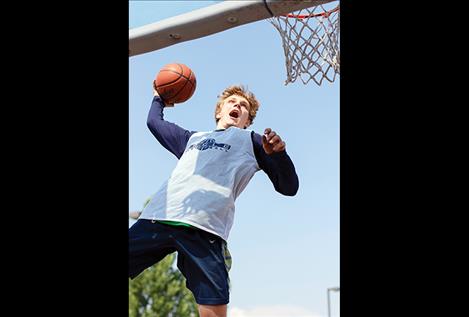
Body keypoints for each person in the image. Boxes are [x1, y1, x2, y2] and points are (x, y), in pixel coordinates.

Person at [129, 83, 299, 317]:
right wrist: (159, 98)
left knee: (212, 312)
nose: (237, 106)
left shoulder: (252, 140)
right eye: (232, 102)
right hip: (159, 217)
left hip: (205, 228)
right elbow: (154, 123)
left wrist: (279, 155)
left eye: (244, 106)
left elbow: (289, 187)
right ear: (219, 111)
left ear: (247, 121)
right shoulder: (192, 139)